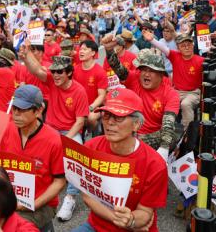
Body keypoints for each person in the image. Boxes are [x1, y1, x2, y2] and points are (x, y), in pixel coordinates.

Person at [73, 88, 168, 232]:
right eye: (106, 115)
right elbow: (87, 196)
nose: (110, 122)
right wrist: (116, 218)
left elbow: (146, 212)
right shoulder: (91, 147)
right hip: (97, 226)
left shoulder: (155, 164)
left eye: (119, 117)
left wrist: (131, 220)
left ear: (136, 124)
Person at [21, 48, 88, 221]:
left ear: (69, 73)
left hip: (69, 130)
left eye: (60, 72)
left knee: (77, 153)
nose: (55, 75)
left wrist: (65, 139)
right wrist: (26, 54)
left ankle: (70, 198)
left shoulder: (79, 91)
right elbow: (36, 69)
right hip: (49, 127)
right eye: (54, 72)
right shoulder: (52, 81)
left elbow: (80, 121)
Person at [102, 36, 180, 161]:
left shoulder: (171, 94)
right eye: (143, 69)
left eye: (151, 71)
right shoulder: (135, 78)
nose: (146, 74)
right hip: (129, 131)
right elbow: (118, 69)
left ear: (161, 75)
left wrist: (164, 148)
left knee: (170, 133)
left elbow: (168, 124)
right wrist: (110, 50)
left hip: (152, 136)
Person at [0, 85, 65, 229]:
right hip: (10, 197)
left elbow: (60, 181)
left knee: (13, 226)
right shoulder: (8, 129)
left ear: (39, 110)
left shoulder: (54, 140)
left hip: (41, 204)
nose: (15, 114)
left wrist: (32, 205)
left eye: (22, 110)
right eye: (14, 108)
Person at [144, 32, 203, 130]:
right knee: (163, 101)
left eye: (189, 45)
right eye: (183, 46)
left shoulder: (201, 60)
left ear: (193, 46)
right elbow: (164, 49)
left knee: (186, 104)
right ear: (178, 48)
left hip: (193, 93)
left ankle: (187, 133)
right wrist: (152, 40)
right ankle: (161, 128)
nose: (187, 47)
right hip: (177, 91)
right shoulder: (175, 56)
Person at [73, 40, 108, 133]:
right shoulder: (75, 69)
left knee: (91, 117)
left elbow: (102, 95)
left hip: (95, 107)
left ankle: (92, 132)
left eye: (84, 49)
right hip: (78, 106)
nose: (81, 51)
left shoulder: (100, 72)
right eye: (80, 49)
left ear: (93, 53)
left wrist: (90, 108)